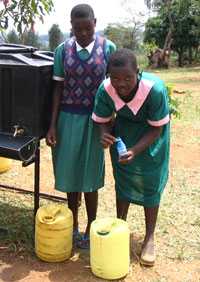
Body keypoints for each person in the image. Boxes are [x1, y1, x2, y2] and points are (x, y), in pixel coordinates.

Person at [46, 4, 116, 249]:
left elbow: (113, 89)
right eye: (78, 29)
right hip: (67, 119)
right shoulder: (62, 50)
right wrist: (52, 125)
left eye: (87, 27)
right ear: (71, 27)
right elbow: (58, 88)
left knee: (91, 175)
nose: (83, 33)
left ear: (95, 23)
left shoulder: (108, 48)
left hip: (96, 122)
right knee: (70, 174)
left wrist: (110, 124)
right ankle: (73, 225)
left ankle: (91, 227)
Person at [92, 48, 170, 265]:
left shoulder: (154, 90)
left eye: (128, 77)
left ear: (138, 72)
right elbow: (100, 119)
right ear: (108, 76)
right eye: (115, 78)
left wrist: (136, 150)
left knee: (150, 183)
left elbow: (157, 130)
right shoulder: (106, 89)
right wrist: (105, 135)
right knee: (123, 179)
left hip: (151, 138)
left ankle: (150, 237)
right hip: (124, 134)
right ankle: (120, 226)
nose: (122, 83)